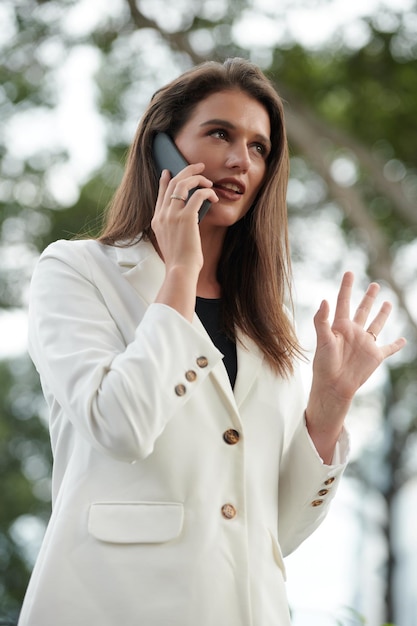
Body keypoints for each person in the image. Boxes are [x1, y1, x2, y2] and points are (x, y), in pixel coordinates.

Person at [18, 57, 406, 626]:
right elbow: (120, 425)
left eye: (258, 148)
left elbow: (276, 531)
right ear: (162, 149)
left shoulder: (262, 322)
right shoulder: (78, 272)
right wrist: (179, 272)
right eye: (220, 133)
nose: (238, 160)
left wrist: (329, 406)